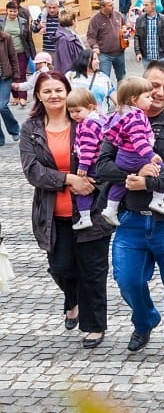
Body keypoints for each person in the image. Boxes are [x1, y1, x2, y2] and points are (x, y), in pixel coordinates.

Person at [96, 60, 164, 375]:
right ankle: (145, 319)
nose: (160, 92)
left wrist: (149, 181)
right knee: (126, 280)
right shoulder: (119, 120)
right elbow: (101, 164)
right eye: (154, 85)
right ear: (140, 85)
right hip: (130, 217)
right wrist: (134, 171)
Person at [20, 71, 112, 348]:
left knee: (93, 270)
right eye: (47, 91)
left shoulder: (84, 120)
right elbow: (32, 170)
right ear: (38, 95)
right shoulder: (31, 128)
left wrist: (94, 181)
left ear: (68, 90)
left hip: (91, 209)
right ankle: (72, 299)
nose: (54, 95)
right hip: (52, 212)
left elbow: (106, 153)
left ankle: (94, 326)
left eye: (59, 90)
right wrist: (68, 179)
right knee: (60, 268)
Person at [99, 76, 164, 224]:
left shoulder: (121, 113)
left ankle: (111, 208)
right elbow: (138, 140)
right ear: (134, 100)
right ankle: (158, 200)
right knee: (163, 171)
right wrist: (150, 155)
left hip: (123, 156)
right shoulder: (136, 117)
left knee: (120, 184)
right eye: (147, 97)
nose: (151, 99)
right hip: (135, 156)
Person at [66, 88, 107, 230]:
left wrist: (83, 166)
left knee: (83, 188)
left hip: (92, 163)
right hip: (100, 162)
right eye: (71, 112)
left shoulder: (88, 124)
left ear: (90, 107)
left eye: (77, 111)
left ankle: (84, 217)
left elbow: (88, 147)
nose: (74, 115)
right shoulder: (100, 119)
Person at [86, 0, 129, 81]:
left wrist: (126, 34)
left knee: (122, 78)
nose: (113, 7)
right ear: (102, 7)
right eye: (110, 5)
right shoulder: (95, 20)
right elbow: (91, 36)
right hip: (104, 54)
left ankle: (122, 93)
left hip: (119, 53)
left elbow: (125, 27)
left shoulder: (118, 15)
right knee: (104, 78)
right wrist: (95, 46)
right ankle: (107, 94)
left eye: (112, 4)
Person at [5, 0, 35, 107]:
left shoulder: (22, 21)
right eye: (11, 11)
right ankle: (15, 96)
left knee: (21, 74)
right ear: (6, 11)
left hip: (21, 51)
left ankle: (23, 97)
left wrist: (33, 54)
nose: (13, 13)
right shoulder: (2, 22)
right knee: (12, 74)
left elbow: (29, 39)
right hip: (6, 54)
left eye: (15, 11)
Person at [0, 23, 20, 146]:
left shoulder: (6, 38)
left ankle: (14, 129)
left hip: (5, 78)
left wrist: (16, 77)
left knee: (2, 106)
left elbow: (13, 57)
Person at [51, 10, 86, 75]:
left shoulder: (72, 34)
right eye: (76, 19)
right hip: (72, 77)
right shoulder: (64, 39)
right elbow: (65, 63)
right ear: (73, 22)